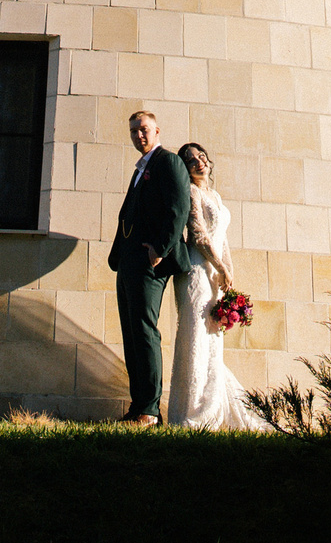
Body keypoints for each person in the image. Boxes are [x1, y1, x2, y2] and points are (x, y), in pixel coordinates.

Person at [166, 143, 273, 431]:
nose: (198, 163)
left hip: (215, 275)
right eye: (191, 161)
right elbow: (199, 235)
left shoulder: (216, 195)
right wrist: (220, 266)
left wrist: (229, 269)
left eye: (201, 157)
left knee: (213, 340)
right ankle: (193, 410)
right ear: (185, 168)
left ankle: (213, 405)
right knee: (196, 336)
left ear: (209, 161)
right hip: (196, 271)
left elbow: (221, 237)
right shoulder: (192, 192)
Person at [109, 108, 196, 425]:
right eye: (133, 131)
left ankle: (149, 410)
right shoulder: (138, 169)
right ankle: (139, 405)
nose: (138, 135)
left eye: (143, 129)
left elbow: (179, 207)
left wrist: (160, 249)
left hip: (150, 262)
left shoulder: (167, 162)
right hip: (128, 262)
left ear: (157, 131)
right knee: (131, 333)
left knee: (145, 331)